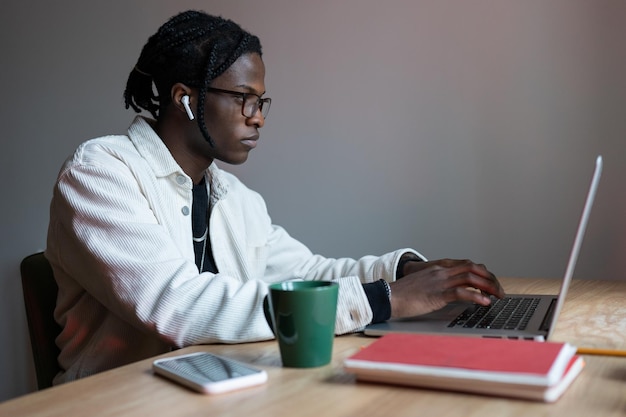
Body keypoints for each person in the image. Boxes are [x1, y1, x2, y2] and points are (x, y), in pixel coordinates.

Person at [45, 10, 504, 385]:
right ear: (185, 99)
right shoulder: (100, 173)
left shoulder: (234, 197)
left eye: (262, 102)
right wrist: (384, 299)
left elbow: (306, 274)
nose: (258, 118)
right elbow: (178, 306)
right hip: (117, 401)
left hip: (224, 393)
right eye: (245, 98)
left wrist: (405, 272)